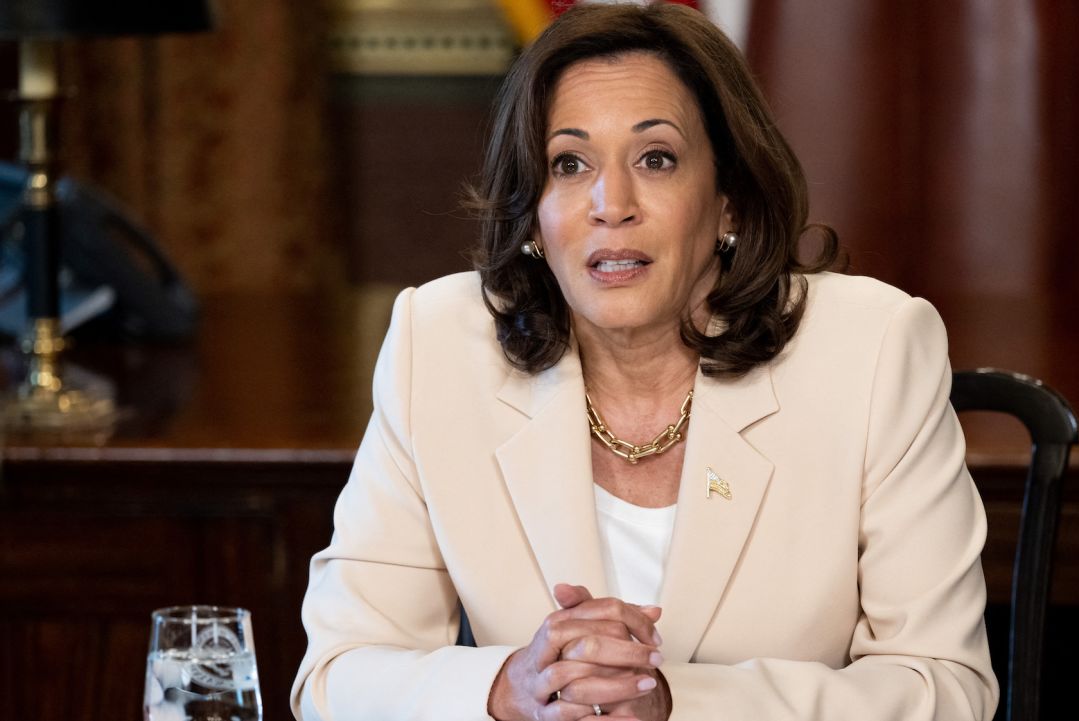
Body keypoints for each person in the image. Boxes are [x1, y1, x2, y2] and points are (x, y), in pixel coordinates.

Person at [291, 4, 997, 720]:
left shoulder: (873, 349)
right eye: (570, 163)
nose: (611, 203)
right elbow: (338, 674)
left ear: (728, 200)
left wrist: (675, 704)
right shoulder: (438, 343)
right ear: (533, 212)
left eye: (655, 158)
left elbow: (946, 687)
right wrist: (510, 687)